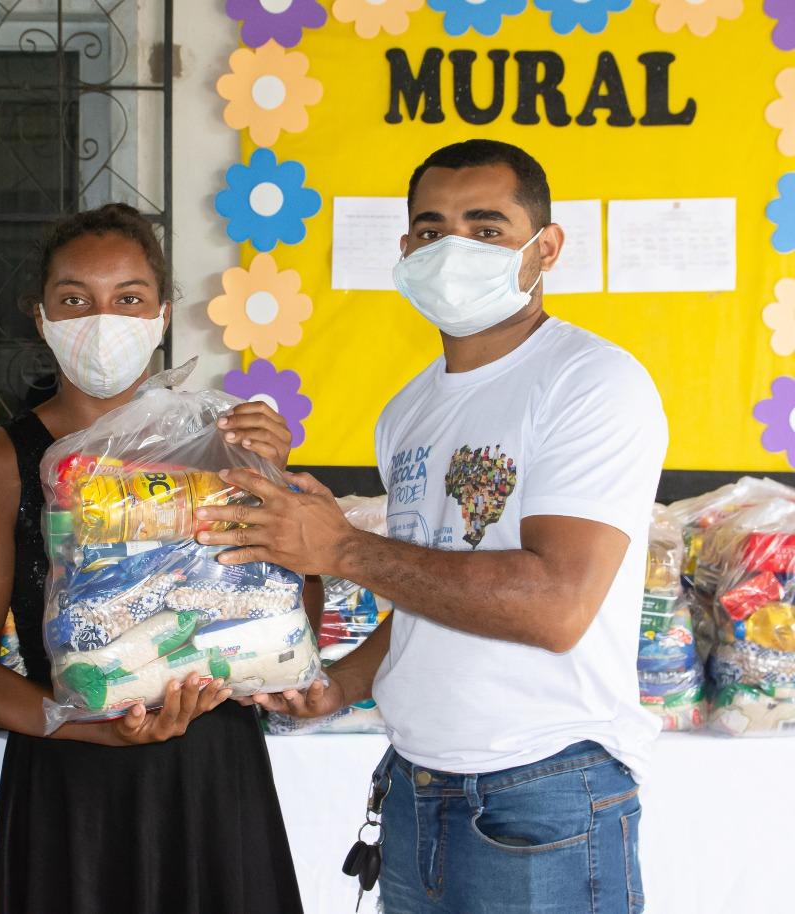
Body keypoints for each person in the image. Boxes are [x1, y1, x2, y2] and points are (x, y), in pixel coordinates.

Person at [196, 140, 667, 913]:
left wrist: (341, 545)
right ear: (407, 249)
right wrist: (342, 682)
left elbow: (552, 604)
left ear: (545, 248)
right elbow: (433, 586)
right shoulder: (408, 410)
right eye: (430, 230)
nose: (453, 250)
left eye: (487, 229)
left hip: (541, 790)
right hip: (416, 785)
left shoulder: (591, 382)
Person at [0, 203, 307, 914]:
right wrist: (89, 728)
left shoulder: (221, 439)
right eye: (74, 299)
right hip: (73, 786)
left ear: (162, 316)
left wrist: (276, 485)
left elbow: (289, 622)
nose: (101, 319)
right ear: (42, 317)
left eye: (128, 299)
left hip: (210, 778)